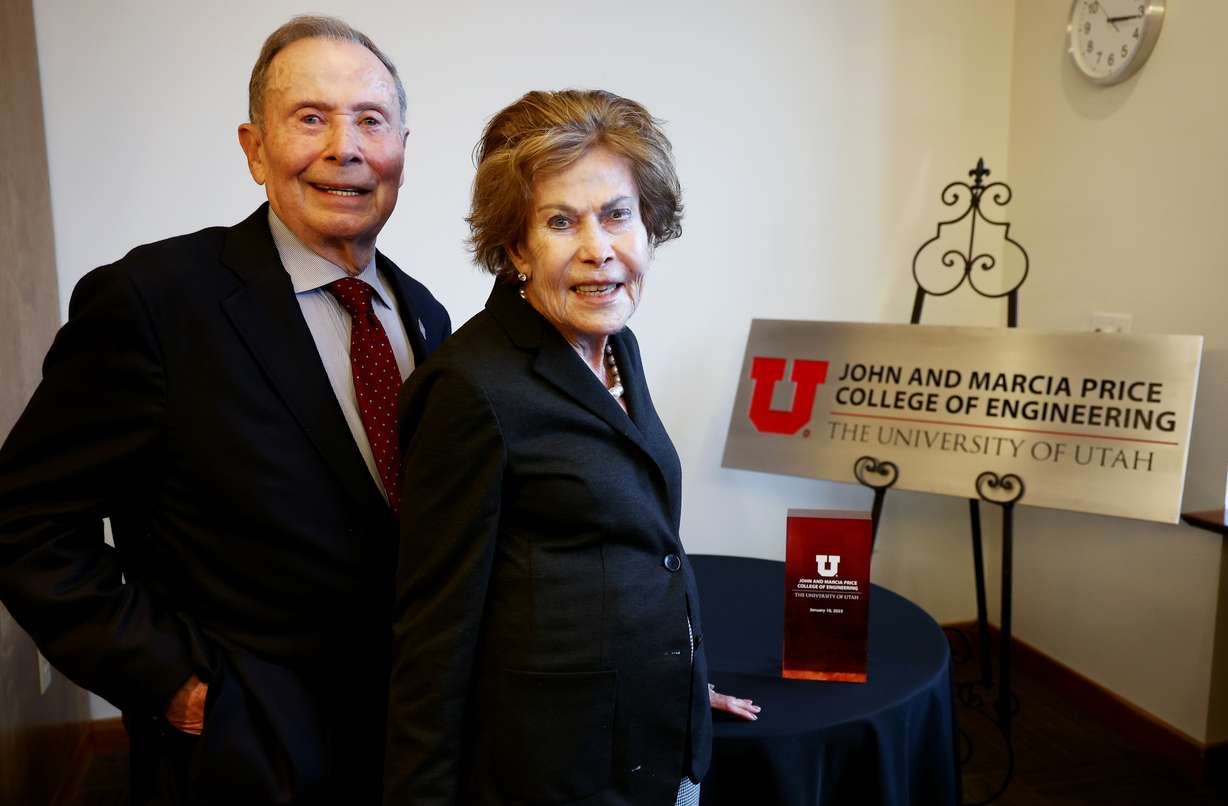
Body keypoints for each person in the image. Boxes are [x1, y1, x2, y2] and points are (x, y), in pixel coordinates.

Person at [0, 15, 449, 804]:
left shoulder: (425, 316)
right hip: (243, 759)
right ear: (254, 148)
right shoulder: (154, 302)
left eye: (370, 121)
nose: (344, 147)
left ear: (402, 149)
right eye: (310, 118)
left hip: (405, 746)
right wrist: (173, 682)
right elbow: (25, 524)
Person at [384, 89, 759, 806]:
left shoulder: (617, 345)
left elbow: (631, 548)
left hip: (656, 742)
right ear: (517, 247)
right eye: (561, 221)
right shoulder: (470, 389)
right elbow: (435, 636)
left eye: (618, 215)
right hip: (561, 774)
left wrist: (678, 679)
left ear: (649, 225)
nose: (599, 249)